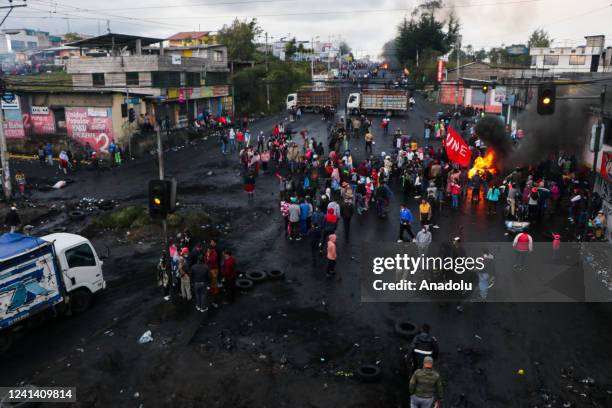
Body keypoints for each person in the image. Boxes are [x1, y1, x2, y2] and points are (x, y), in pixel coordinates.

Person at [205, 240, 220, 307]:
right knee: (211, 279)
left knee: (214, 280)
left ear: (211, 249)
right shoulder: (209, 253)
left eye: (208, 250)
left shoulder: (214, 253)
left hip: (214, 269)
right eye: (207, 250)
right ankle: (212, 288)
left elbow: (212, 261)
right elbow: (206, 260)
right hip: (210, 268)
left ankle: (215, 290)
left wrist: (208, 257)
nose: (208, 251)